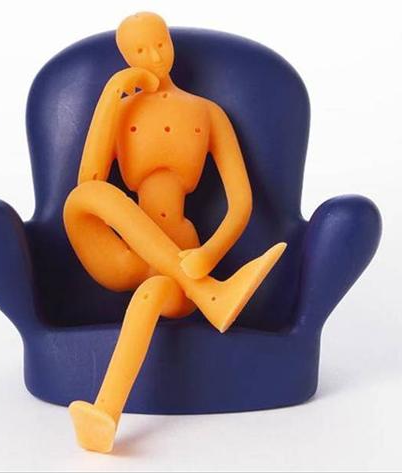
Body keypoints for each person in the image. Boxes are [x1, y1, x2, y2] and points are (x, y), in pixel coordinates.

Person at [63, 12, 286, 453]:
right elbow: (90, 179)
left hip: (183, 259)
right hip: (125, 258)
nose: (154, 56)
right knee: (85, 195)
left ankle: (105, 413)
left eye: (160, 43)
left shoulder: (207, 113)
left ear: (170, 42)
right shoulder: (121, 110)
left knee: (149, 297)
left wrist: (209, 254)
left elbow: (241, 203)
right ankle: (212, 293)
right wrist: (112, 93)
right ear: (126, 57)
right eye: (139, 50)